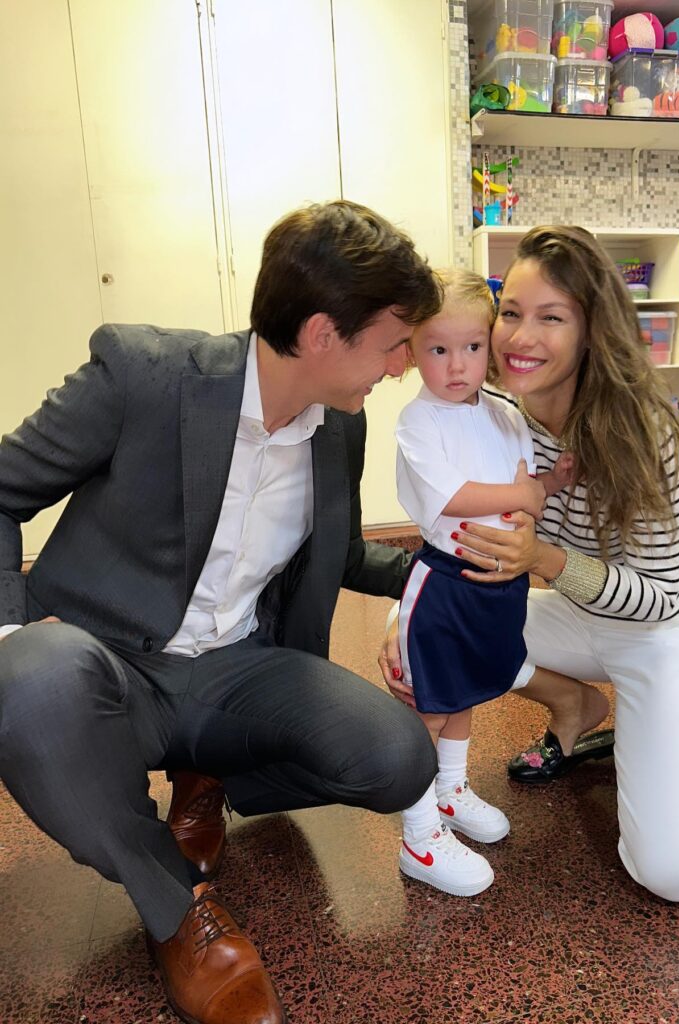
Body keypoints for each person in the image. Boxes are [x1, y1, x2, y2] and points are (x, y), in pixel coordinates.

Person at [0, 200, 443, 1024]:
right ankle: (177, 910)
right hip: (109, 664)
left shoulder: (338, 428)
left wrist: (441, 578)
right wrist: (10, 628)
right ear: (322, 334)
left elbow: (341, 552)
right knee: (27, 675)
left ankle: (206, 774)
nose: (399, 367)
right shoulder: (142, 375)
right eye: (393, 344)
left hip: (234, 666)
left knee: (397, 760)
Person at [384, 226, 679, 904]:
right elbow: (456, 542)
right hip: (575, 614)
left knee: (676, 875)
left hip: (667, 628)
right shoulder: (497, 413)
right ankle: (573, 703)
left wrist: (543, 558)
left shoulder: (642, 432)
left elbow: (662, 595)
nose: (521, 337)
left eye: (551, 318)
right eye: (512, 313)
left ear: (590, 332)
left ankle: (672, 715)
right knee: (419, 633)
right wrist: (403, 617)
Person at [391, 269, 572, 897]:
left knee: (462, 693)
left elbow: (524, 485)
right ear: (411, 350)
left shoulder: (502, 412)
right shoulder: (419, 421)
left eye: (471, 346)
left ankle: (450, 791)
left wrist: (550, 485)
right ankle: (418, 837)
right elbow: (456, 495)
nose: (457, 365)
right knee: (428, 708)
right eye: (438, 349)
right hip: (447, 583)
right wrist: (525, 494)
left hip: (500, 585)